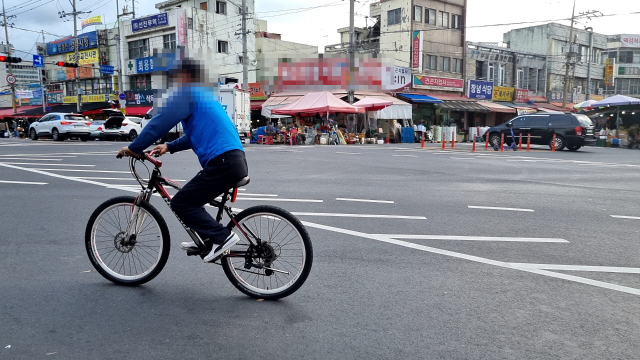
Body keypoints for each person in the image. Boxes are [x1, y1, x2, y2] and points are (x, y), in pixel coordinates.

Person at [116, 58, 248, 263]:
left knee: (182, 203)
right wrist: (169, 146)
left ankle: (222, 237)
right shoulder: (204, 97)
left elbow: (157, 124)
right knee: (193, 198)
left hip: (223, 162)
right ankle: (208, 238)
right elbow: (194, 135)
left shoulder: (187, 95)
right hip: (233, 160)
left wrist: (133, 148)